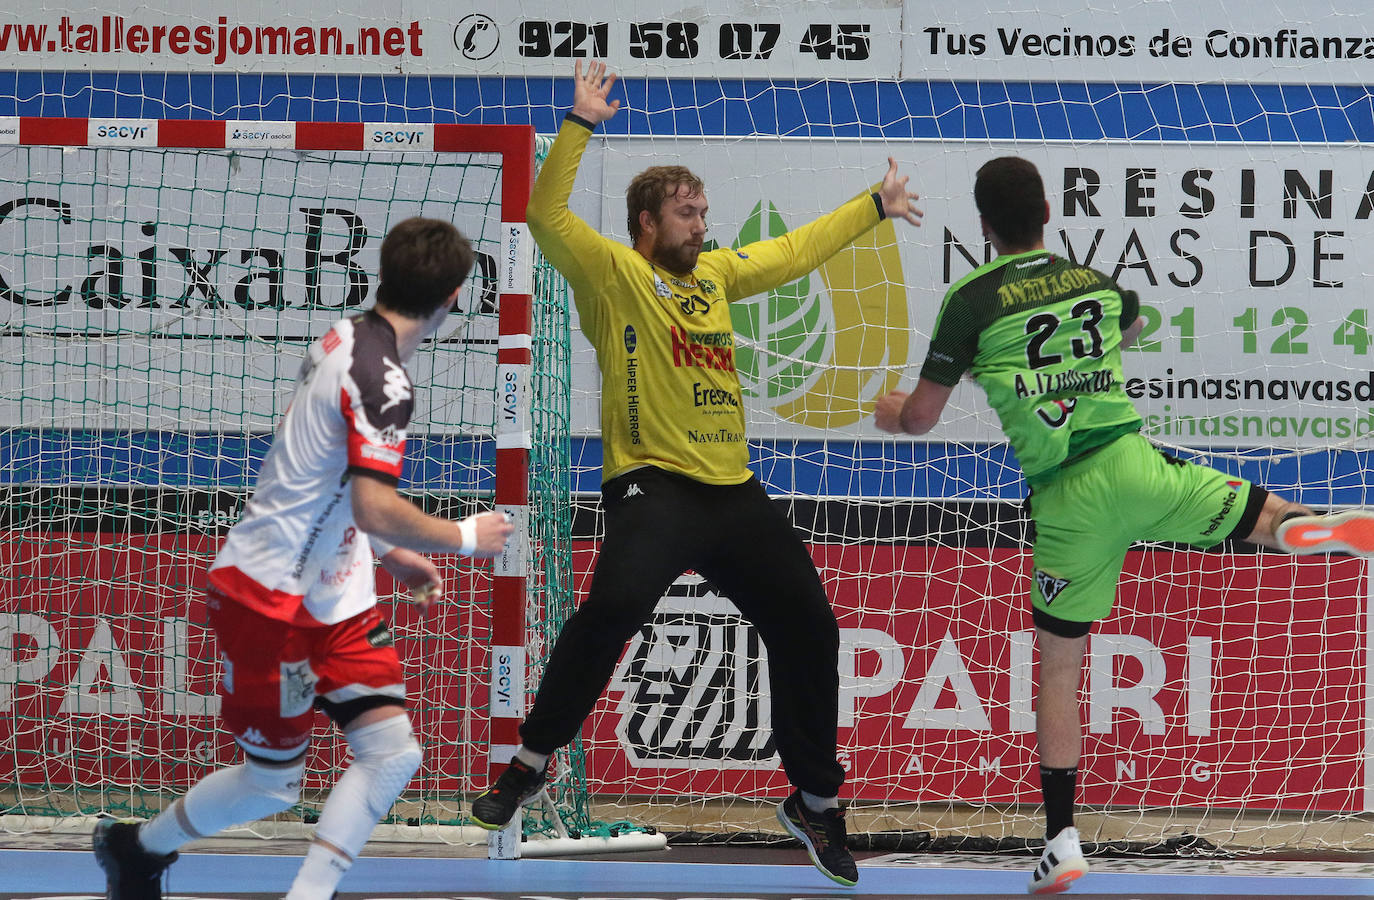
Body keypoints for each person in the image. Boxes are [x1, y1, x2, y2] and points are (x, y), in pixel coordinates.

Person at [466, 60, 923, 887]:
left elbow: (789, 254)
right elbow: (542, 212)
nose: (701, 226)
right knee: (612, 607)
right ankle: (530, 759)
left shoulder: (714, 276)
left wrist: (872, 207)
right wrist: (580, 125)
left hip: (733, 493)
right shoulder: (616, 274)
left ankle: (815, 802)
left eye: (704, 213)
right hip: (655, 487)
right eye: (686, 214)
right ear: (646, 222)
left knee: (810, 629)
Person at [873, 156, 1374, 895]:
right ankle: (1304, 530)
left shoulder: (972, 301)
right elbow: (1129, 324)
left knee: (1061, 666)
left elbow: (920, 418)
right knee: (1261, 516)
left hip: (1068, 502)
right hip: (1134, 464)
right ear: (1048, 210)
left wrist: (894, 412)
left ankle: (1063, 842)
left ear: (983, 225)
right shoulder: (1096, 286)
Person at [91, 217, 515, 900]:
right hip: (269, 597)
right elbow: (373, 502)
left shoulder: (346, 336)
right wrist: (465, 537)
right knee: (272, 783)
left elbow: (332, 482)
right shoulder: (383, 379)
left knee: (392, 753)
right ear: (457, 295)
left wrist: (394, 554)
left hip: (335, 589)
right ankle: (136, 849)